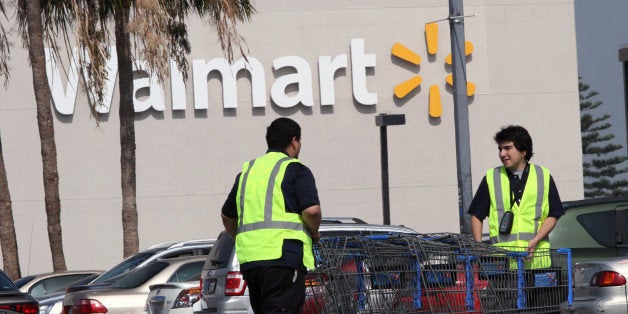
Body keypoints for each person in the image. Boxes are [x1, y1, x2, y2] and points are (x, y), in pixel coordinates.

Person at [221, 117, 322, 314]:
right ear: (294, 141)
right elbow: (312, 211)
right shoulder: (295, 169)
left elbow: (227, 216)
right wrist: (315, 232)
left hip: (251, 261)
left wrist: (246, 239)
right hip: (283, 257)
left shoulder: (247, 172)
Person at [467, 125, 565, 309]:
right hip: (503, 266)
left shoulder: (543, 175)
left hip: (538, 263)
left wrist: (535, 240)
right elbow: (476, 214)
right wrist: (479, 246)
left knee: (542, 311)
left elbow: (553, 214)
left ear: (523, 151)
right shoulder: (491, 177)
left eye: (507, 148)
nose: (502, 153)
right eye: (500, 149)